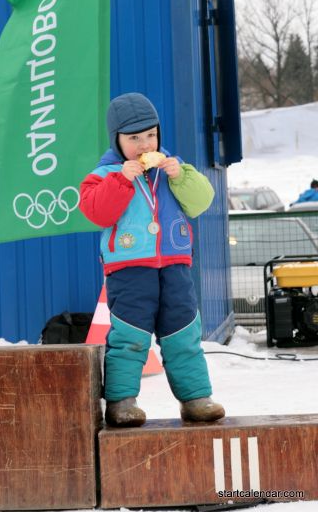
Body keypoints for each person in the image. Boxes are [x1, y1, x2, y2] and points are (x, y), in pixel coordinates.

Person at [79, 93, 224, 427]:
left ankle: (196, 399)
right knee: (130, 337)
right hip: (129, 270)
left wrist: (181, 177)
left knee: (183, 333)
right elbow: (97, 212)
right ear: (116, 139)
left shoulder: (174, 169)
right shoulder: (105, 174)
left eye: (150, 135)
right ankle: (122, 403)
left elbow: (201, 202)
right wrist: (121, 179)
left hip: (175, 265)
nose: (144, 145)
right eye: (134, 138)